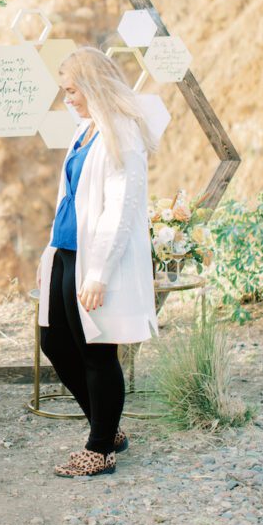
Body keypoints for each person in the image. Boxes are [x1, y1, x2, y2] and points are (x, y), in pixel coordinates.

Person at [38, 46, 158, 477]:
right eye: (64, 91)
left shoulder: (121, 131)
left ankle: (100, 448)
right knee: (54, 341)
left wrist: (99, 273)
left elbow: (122, 208)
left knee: (96, 349)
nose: (67, 99)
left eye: (72, 90)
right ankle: (107, 429)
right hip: (66, 250)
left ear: (92, 85)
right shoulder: (85, 129)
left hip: (95, 257)